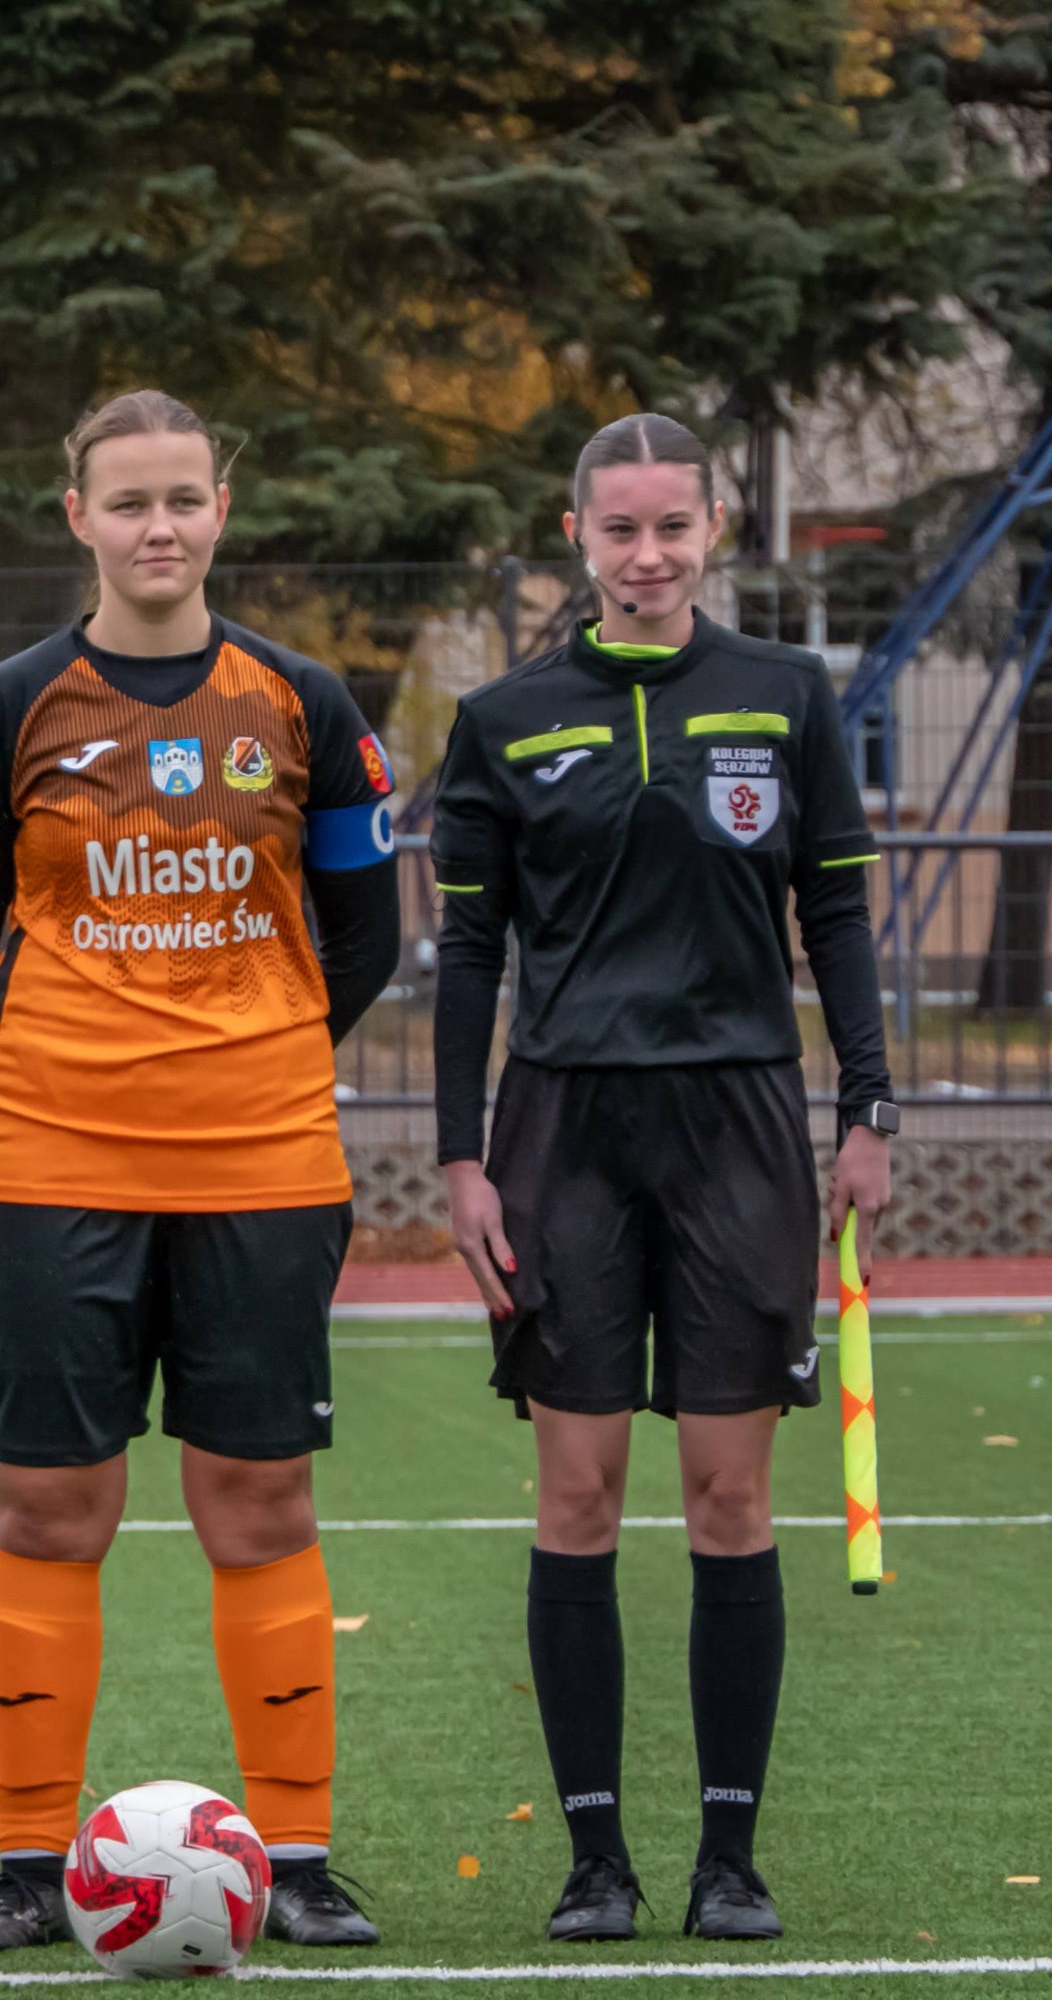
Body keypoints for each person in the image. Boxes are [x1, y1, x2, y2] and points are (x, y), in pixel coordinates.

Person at [0, 389, 401, 1955]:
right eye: (128, 501)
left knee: (258, 1497)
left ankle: (300, 1858)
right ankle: (29, 1865)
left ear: (221, 508)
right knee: (50, 1502)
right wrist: (81, 1051)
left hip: (264, 1155)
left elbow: (366, 933)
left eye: (184, 498)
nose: (159, 526)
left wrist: (253, 1046)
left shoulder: (303, 702)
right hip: (52, 1153)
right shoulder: (11, 706)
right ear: (78, 516)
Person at [430, 411, 894, 1946]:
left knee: (728, 1496)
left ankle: (728, 1862)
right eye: (620, 529)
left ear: (713, 534)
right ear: (578, 536)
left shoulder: (786, 693)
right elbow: (470, 954)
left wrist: (869, 1111)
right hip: (561, 1133)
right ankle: (595, 1864)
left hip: (741, 1122)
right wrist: (459, 1154)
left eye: (672, 527)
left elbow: (837, 915)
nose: (647, 555)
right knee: (577, 1495)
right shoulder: (504, 716)